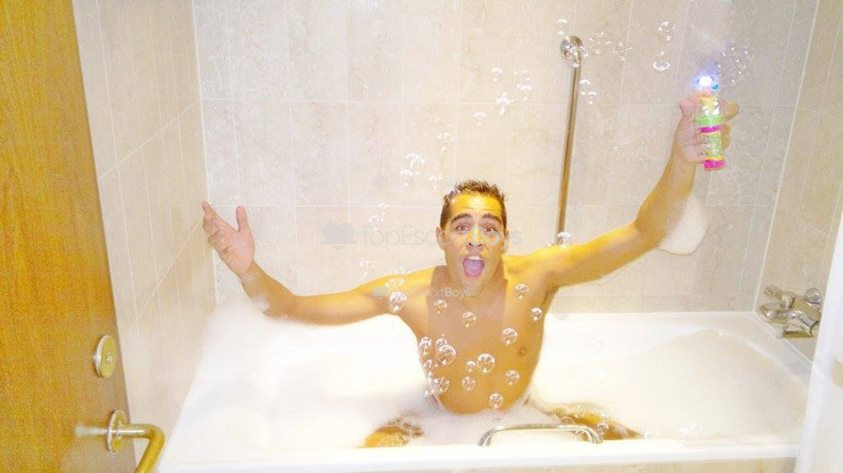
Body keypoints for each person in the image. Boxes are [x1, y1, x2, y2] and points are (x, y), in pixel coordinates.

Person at [202, 94, 739, 446]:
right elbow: (291, 308)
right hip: (431, 425)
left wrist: (682, 160)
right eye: (462, 226)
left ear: (505, 240)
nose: (476, 237)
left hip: (529, 417)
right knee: (366, 460)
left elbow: (644, 233)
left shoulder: (539, 277)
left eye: (490, 227)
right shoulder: (407, 294)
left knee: (638, 450)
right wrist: (248, 269)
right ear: (442, 238)